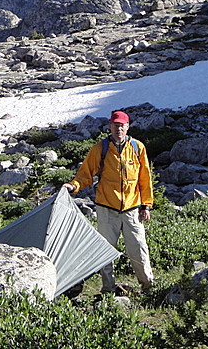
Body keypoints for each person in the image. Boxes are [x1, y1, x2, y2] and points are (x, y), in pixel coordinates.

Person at [63, 110, 154, 293]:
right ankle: (108, 289)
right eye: (115, 125)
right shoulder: (100, 148)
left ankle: (148, 286)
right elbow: (86, 174)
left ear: (127, 127)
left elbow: (145, 178)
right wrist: (73, 186)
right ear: (110, 127)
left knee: (138, 248)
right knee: (105, 251)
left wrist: (146, 204)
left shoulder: (137, 148)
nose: (118, 128)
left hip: (132, 208)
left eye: (122, 125)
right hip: (106, 208)